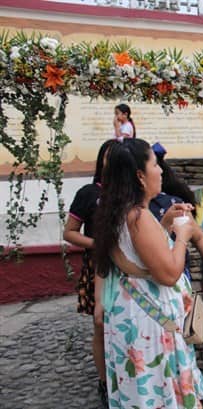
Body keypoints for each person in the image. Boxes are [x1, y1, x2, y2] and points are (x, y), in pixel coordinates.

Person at [93, 138, 203, 408]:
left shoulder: (121, 212)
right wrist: (183, 235)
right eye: (155, 164)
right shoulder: (138, 217)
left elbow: (140, 256)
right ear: (140, 176)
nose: (161, 171)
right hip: (151, 328)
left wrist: (164, 224)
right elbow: (167, 274)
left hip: (136, 319)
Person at [63, 138, 118, 407]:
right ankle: (105, 381)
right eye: (110, 156)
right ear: (102, 160)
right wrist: (99, 244)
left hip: (129, 269)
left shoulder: (133, 192)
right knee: (101, 326)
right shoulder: (88, 193)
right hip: (99, 266)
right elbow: (69, 232)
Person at [150, 142, 203, 292]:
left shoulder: (172, 203)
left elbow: (198, 237)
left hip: (177, 283)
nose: (161, 171)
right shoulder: (130, 211)